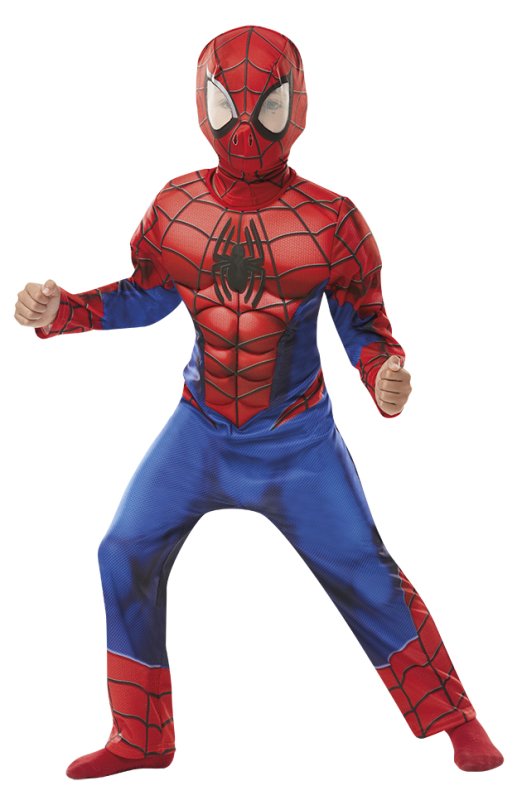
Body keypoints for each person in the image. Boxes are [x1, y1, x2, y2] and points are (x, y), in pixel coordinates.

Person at [14, 24, 504, 779]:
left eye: (266, 109)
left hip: (296, 441)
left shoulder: (332, 220)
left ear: (297, 106)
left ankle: (455, 719)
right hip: (201, 431)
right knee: (123, 549)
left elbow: (366, 327)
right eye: (226, 105)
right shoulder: (177, 205)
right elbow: (146, 295)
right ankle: (142, 736)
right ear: (201, 103)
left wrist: (384, 376)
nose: (244, 128)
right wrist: (65, 311)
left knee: (363, 569)